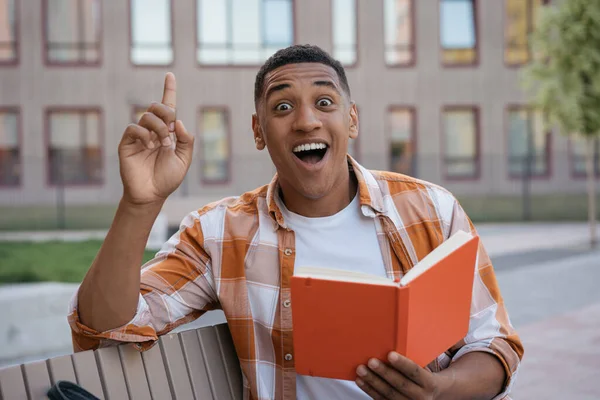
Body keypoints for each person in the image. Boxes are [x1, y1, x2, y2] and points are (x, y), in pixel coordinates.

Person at [69, 45, 523, 400]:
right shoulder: (220, 232)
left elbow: (495, 344)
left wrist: (439, 391)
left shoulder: (432, 209)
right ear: (258, 131)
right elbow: (104, 329)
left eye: (324, 102)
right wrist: (138, 203)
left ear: (351, 119)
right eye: (283, 107)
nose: (306, 121)